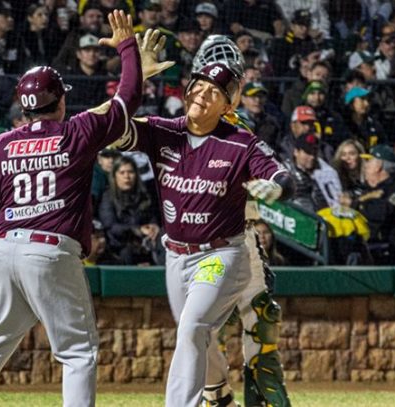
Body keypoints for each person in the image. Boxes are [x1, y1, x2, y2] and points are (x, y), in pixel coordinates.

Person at [0, 11, 142, 407]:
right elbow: (128, 100)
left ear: (24, 106)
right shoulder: (77, 130)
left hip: (5, 251)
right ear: (62, 99)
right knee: (77, 352)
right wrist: (127, 48)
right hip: (50, 251)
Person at [114, 34, 294, 406]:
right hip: (178, 250)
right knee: (195, 332)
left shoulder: (239, 134)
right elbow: (102, 128)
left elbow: (279, 175)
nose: (203, 95)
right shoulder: (167, 129)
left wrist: (276, 187)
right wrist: (133, 75)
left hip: (234, 242)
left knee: (255, 324)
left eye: (215, 90)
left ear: (232, 99)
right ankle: (217, 394)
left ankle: (262, 401)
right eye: (200, 85)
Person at [98, 155, 162, 265]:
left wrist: (154, 226)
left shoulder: (144, 196)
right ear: (115, 176)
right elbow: (111, 227)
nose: (127, 176)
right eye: (122, 173)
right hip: (120, 248)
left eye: (130, 172)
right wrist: (138, 230)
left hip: (146, 245)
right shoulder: (108, 197)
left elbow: (152, 217)